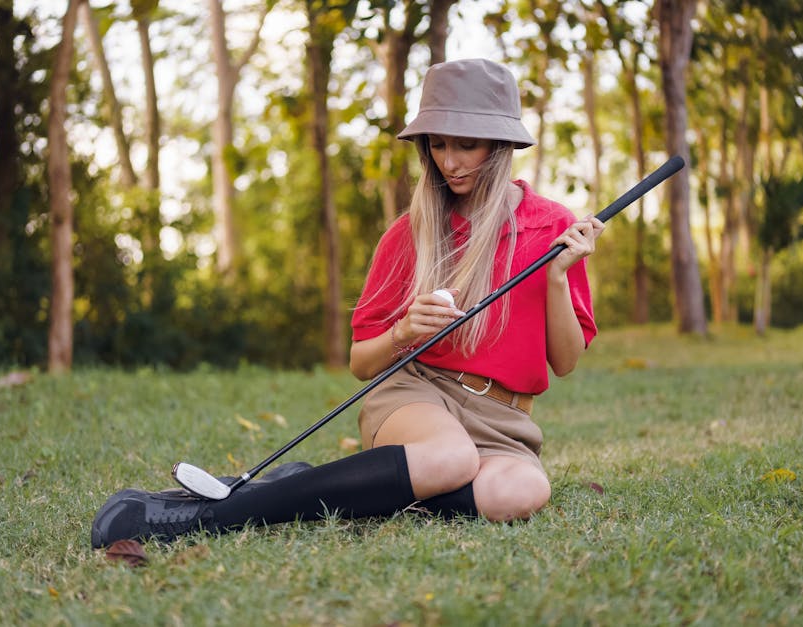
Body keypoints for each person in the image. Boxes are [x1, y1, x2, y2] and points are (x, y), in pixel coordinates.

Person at [90, 58, 604, 549]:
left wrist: (558, 279)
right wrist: (405, 332)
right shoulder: (411, 235)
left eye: (465, 146)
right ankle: (218, 513)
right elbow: (362, 364)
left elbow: (565, 362)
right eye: (437, 145)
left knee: (521, 492)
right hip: (419, 396)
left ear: (500, 145)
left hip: (503, 419)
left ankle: (334, 487)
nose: (449, 162)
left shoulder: (553, 228)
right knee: (448, 458)